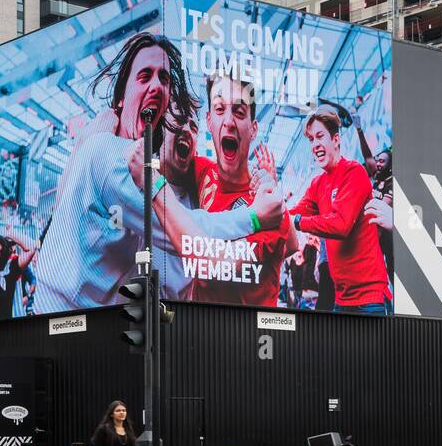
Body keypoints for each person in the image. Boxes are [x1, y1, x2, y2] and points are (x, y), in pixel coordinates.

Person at [34, 33, 282, 315]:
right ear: (121, 98)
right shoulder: (117, 157)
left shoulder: (193, 173)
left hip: (110, 317)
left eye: (164, 78)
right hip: (67, 315)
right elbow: (187, 230)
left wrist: (264, 181)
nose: (156, 86)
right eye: (144, 76)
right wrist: (254, 216)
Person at [190, 71, 298, 307]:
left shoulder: (267, 203)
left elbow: (213, 265)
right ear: (209, 121)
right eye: (219, 110)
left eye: (239, 112)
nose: (228, 121)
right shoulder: (201, 172)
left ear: (253, 128)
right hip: (198, 331)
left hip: (250, 337)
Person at [289, 109, 391, 314]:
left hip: (370, 300)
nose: (315, 144)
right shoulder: (318, 184)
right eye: (310, 139)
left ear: (336, 139)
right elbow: (291, 214)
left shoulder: (355, 172)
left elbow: (341, 224)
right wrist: (270, 204)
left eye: (320, 136)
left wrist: (299, 221)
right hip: (341, 299)